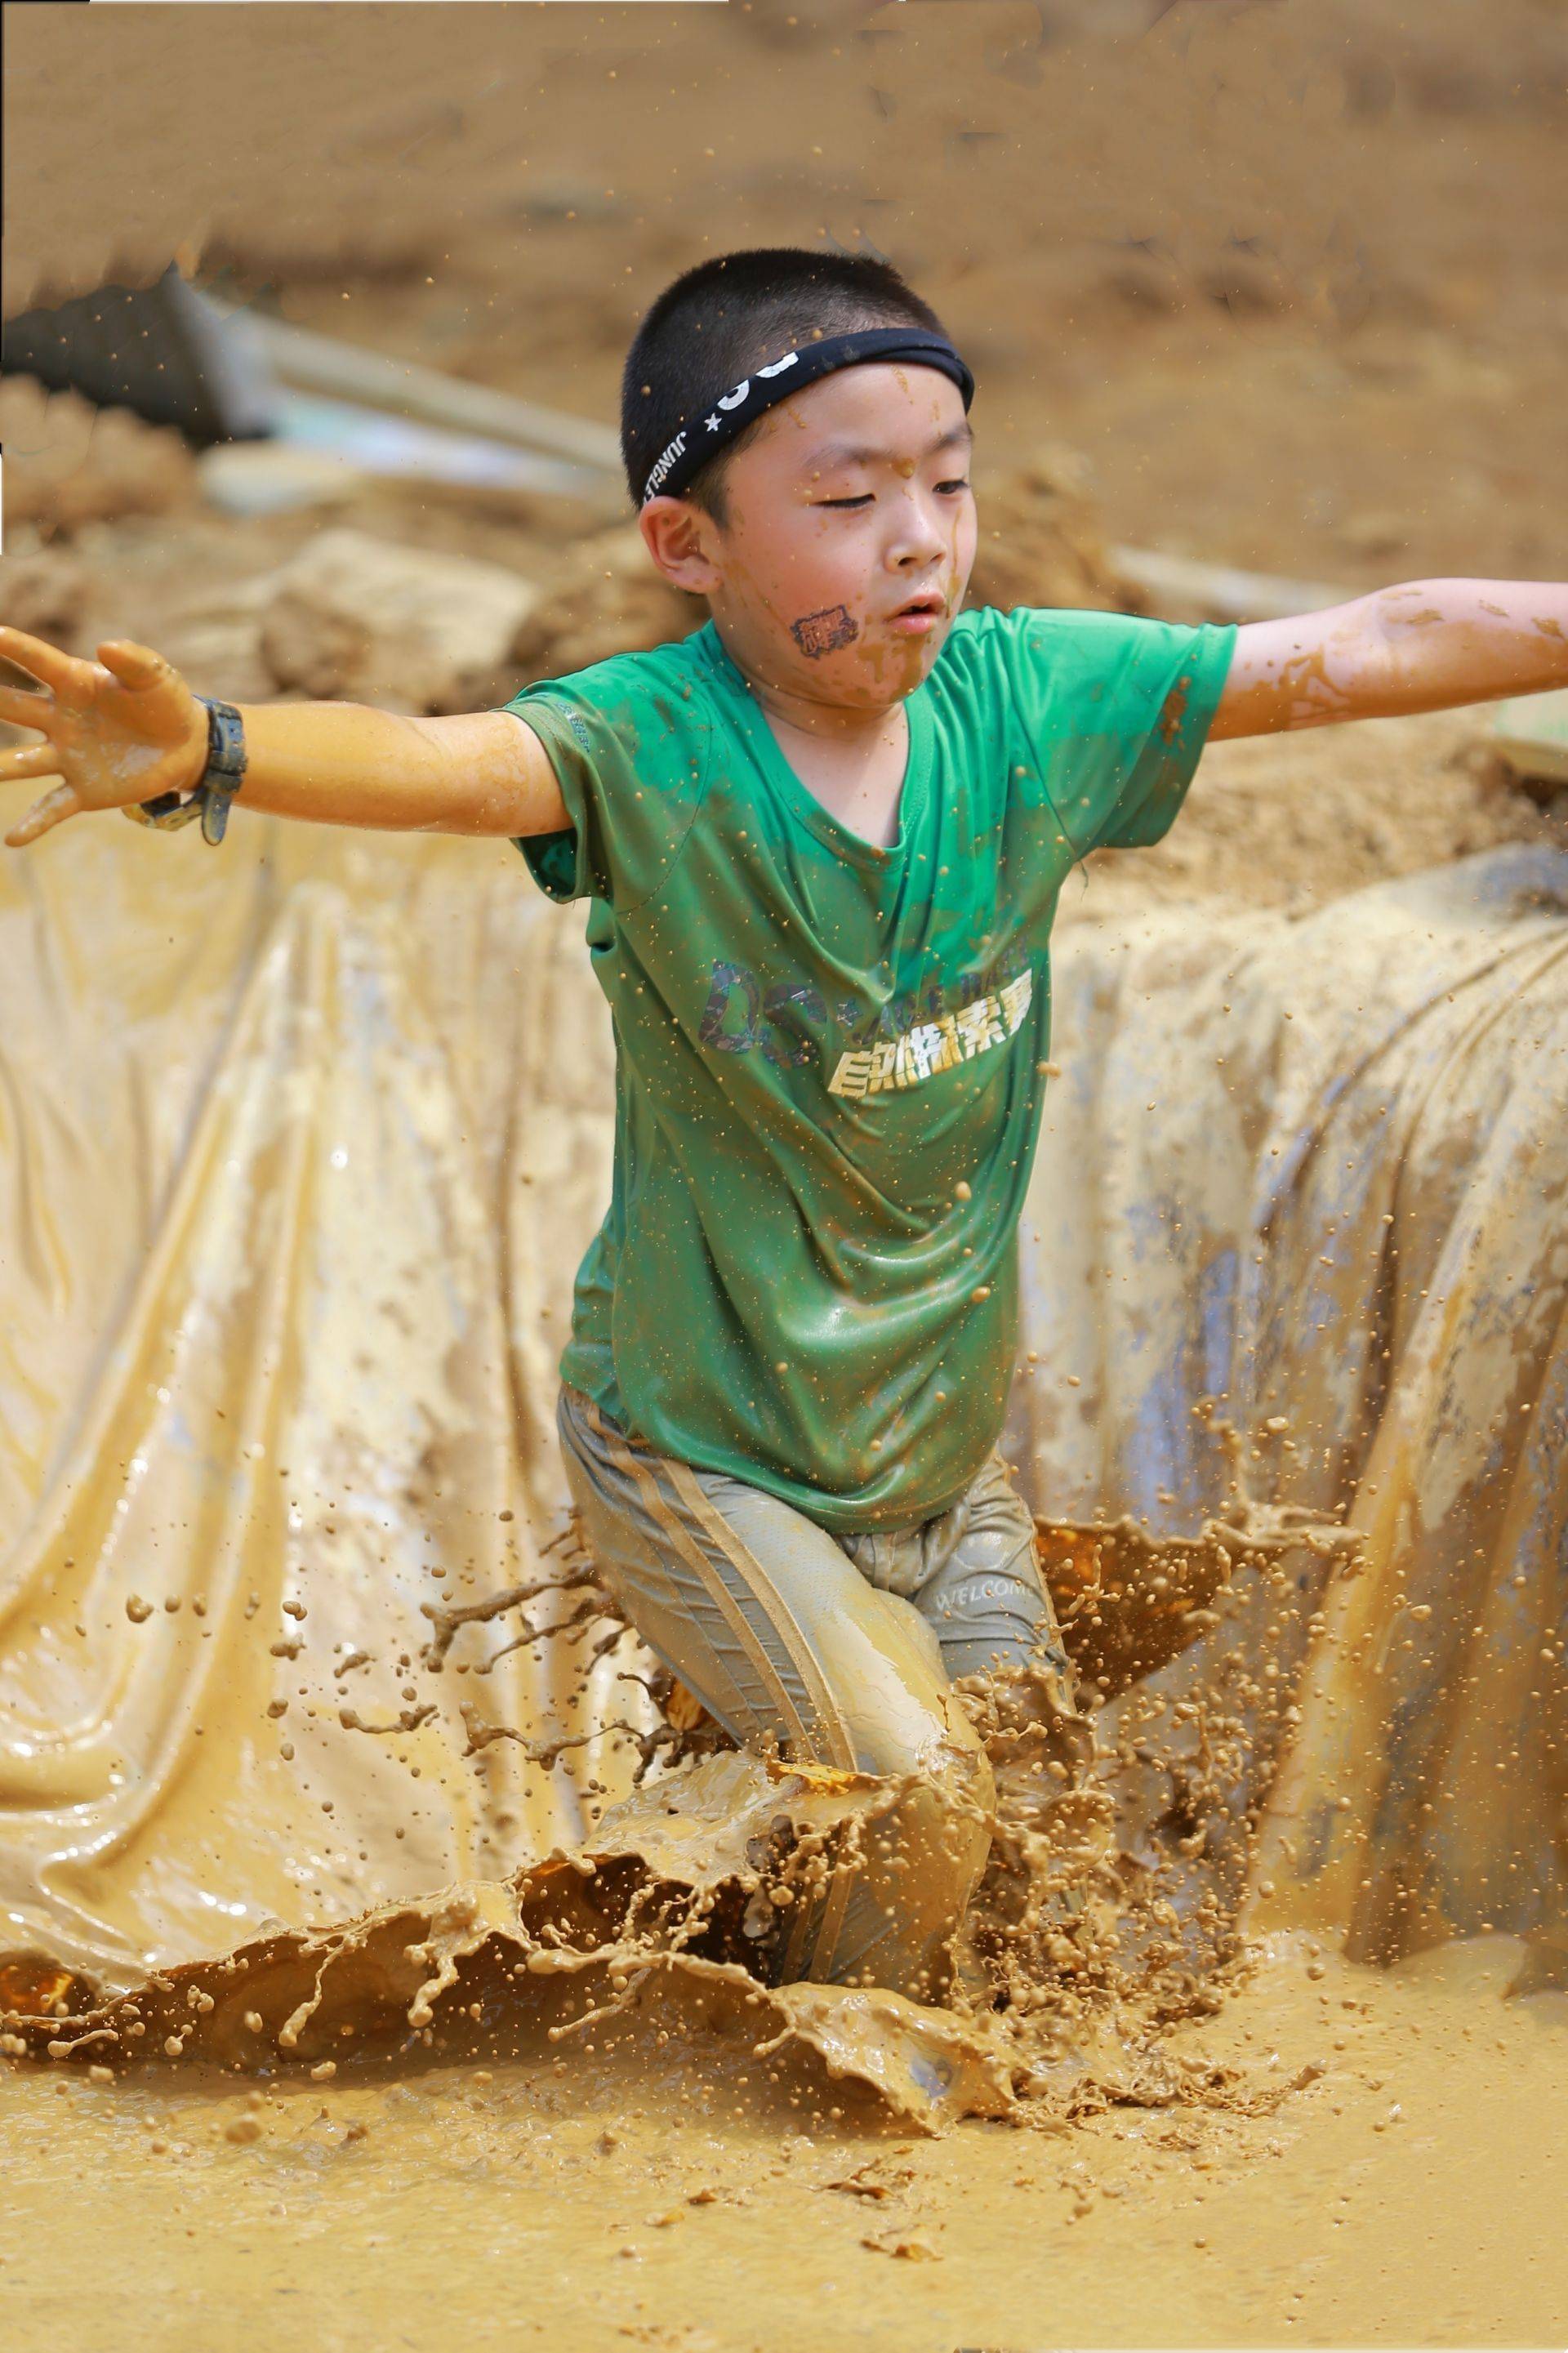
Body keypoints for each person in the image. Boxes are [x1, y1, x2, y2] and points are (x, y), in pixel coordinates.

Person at [4, 247, 1566, 2003]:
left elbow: (1361, 647)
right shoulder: (646, 748)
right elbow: (437, 760)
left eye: (948, 482)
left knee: (1027, 1817)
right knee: (914, 1804)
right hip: (704, 1452)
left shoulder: (1030, 700)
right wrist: (210, 746)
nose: (920, 537)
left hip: (931, 1463)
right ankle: (797, 2111)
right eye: (847, 498)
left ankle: (793, 1962)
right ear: (690, 548)